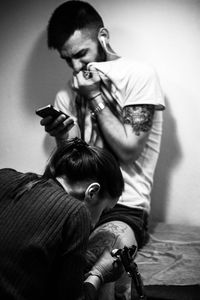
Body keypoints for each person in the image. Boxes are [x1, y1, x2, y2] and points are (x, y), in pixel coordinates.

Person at [41, 1, 165, 298]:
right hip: (72, 202)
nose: (75, 67)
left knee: (94, 259)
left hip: (122, 205)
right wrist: (61, 139)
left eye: (81, 54)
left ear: (103, 36)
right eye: (67, 59)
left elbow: (128, 150)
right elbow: (73, 169)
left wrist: (94, 95)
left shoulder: (139, 75)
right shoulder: (65, 94)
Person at [0, 137, 124, 300]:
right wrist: (98, 275)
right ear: (92, 192)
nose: (98, 222)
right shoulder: (76, 212)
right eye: (104, 210)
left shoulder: (5, 176)